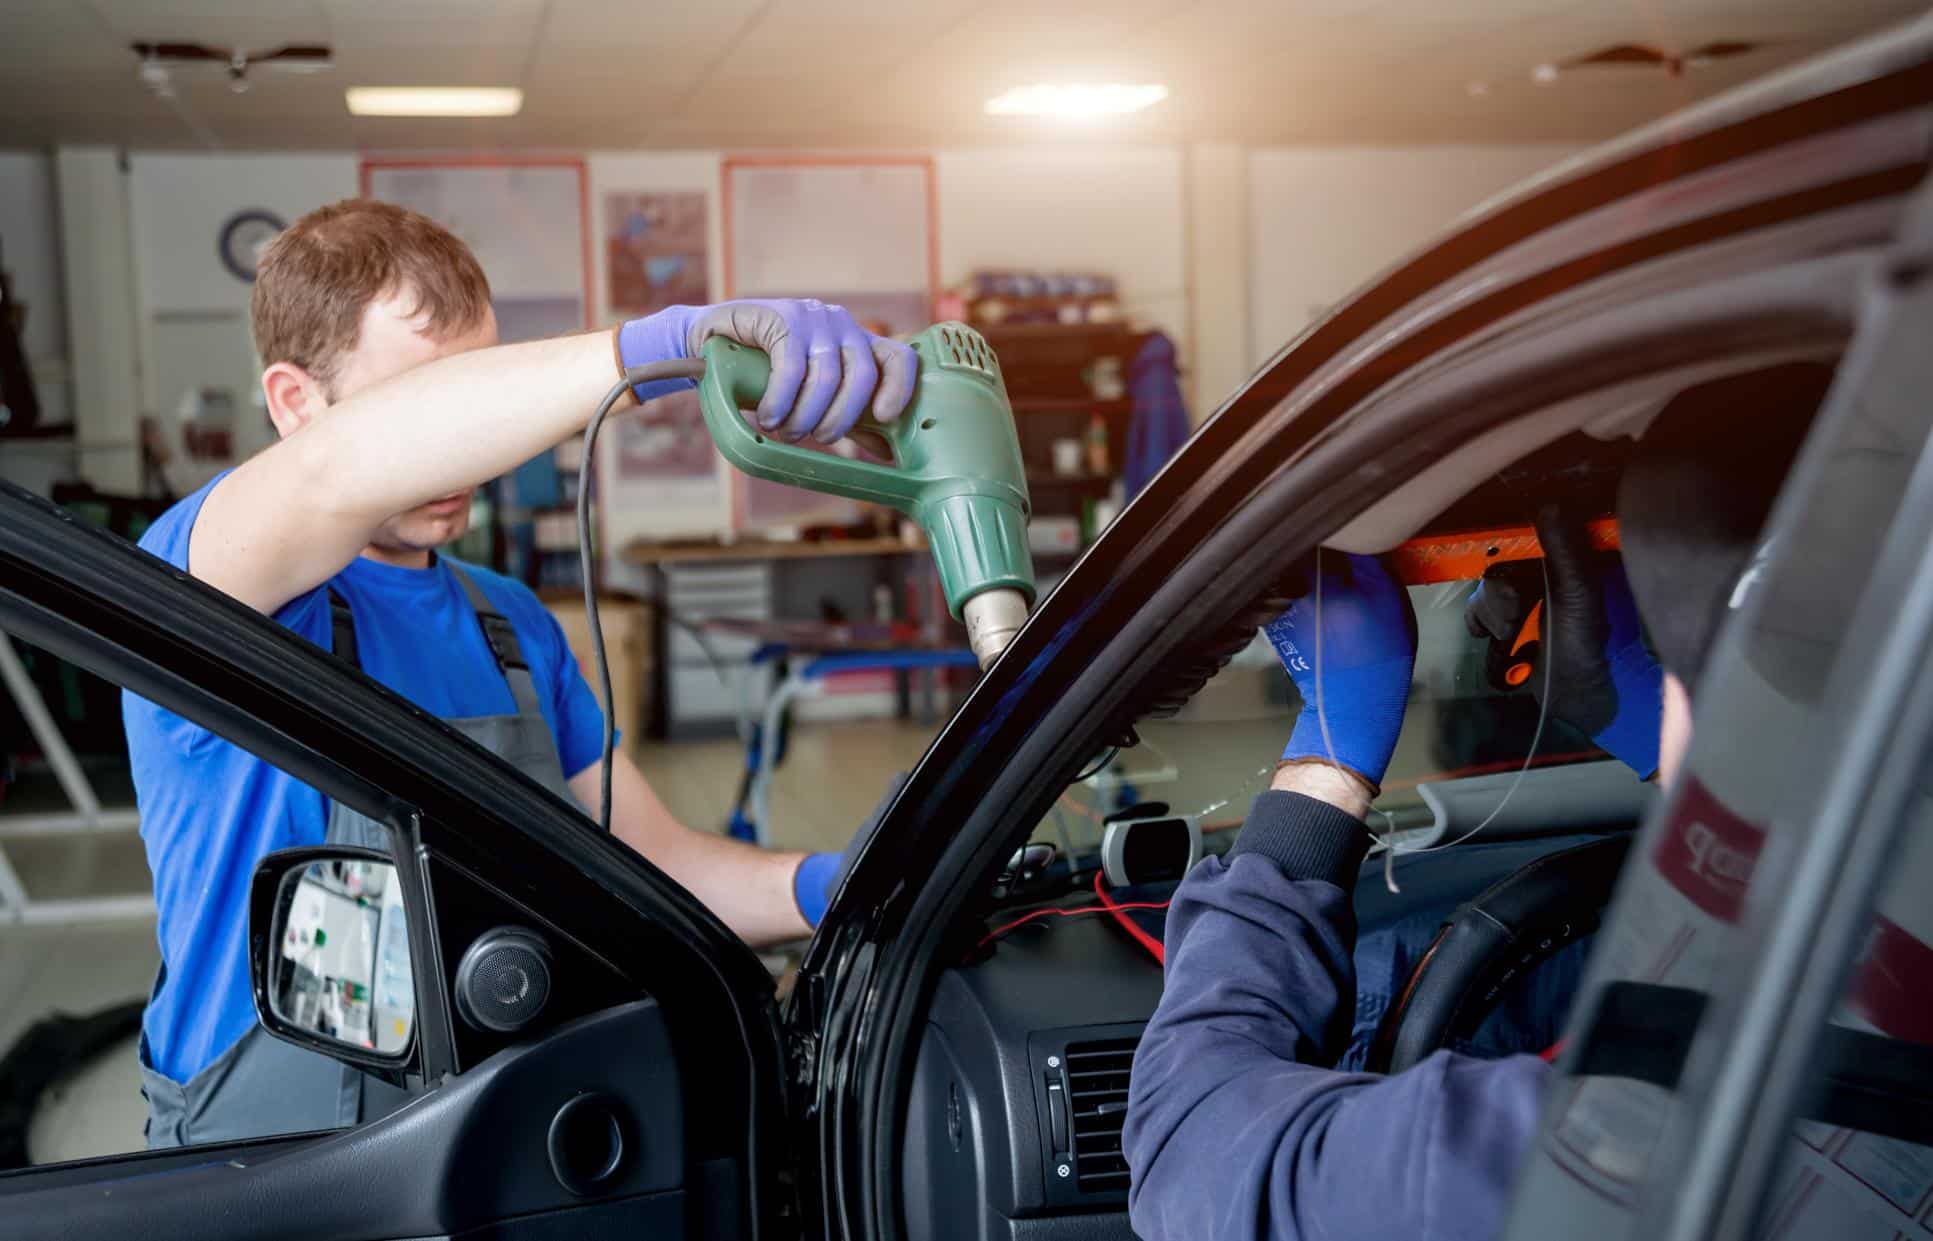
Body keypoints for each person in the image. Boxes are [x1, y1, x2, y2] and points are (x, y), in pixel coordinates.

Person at [123, 199, 917, 1148]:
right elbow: (336, 473)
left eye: (480, 389)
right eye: (430, 401)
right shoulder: (207, 580)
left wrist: (828, 888)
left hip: (498, 1127)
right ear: (295, 401)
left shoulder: (511, 624)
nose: (474, 453)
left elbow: (652, 864)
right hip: (275, 1162)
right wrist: (666, 345)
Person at [1122, 401, 1813, 1241]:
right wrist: (1636, 711)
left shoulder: (1613, 1154)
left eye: (1684, 672)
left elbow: (1190, 1152)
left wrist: (1334, 740)